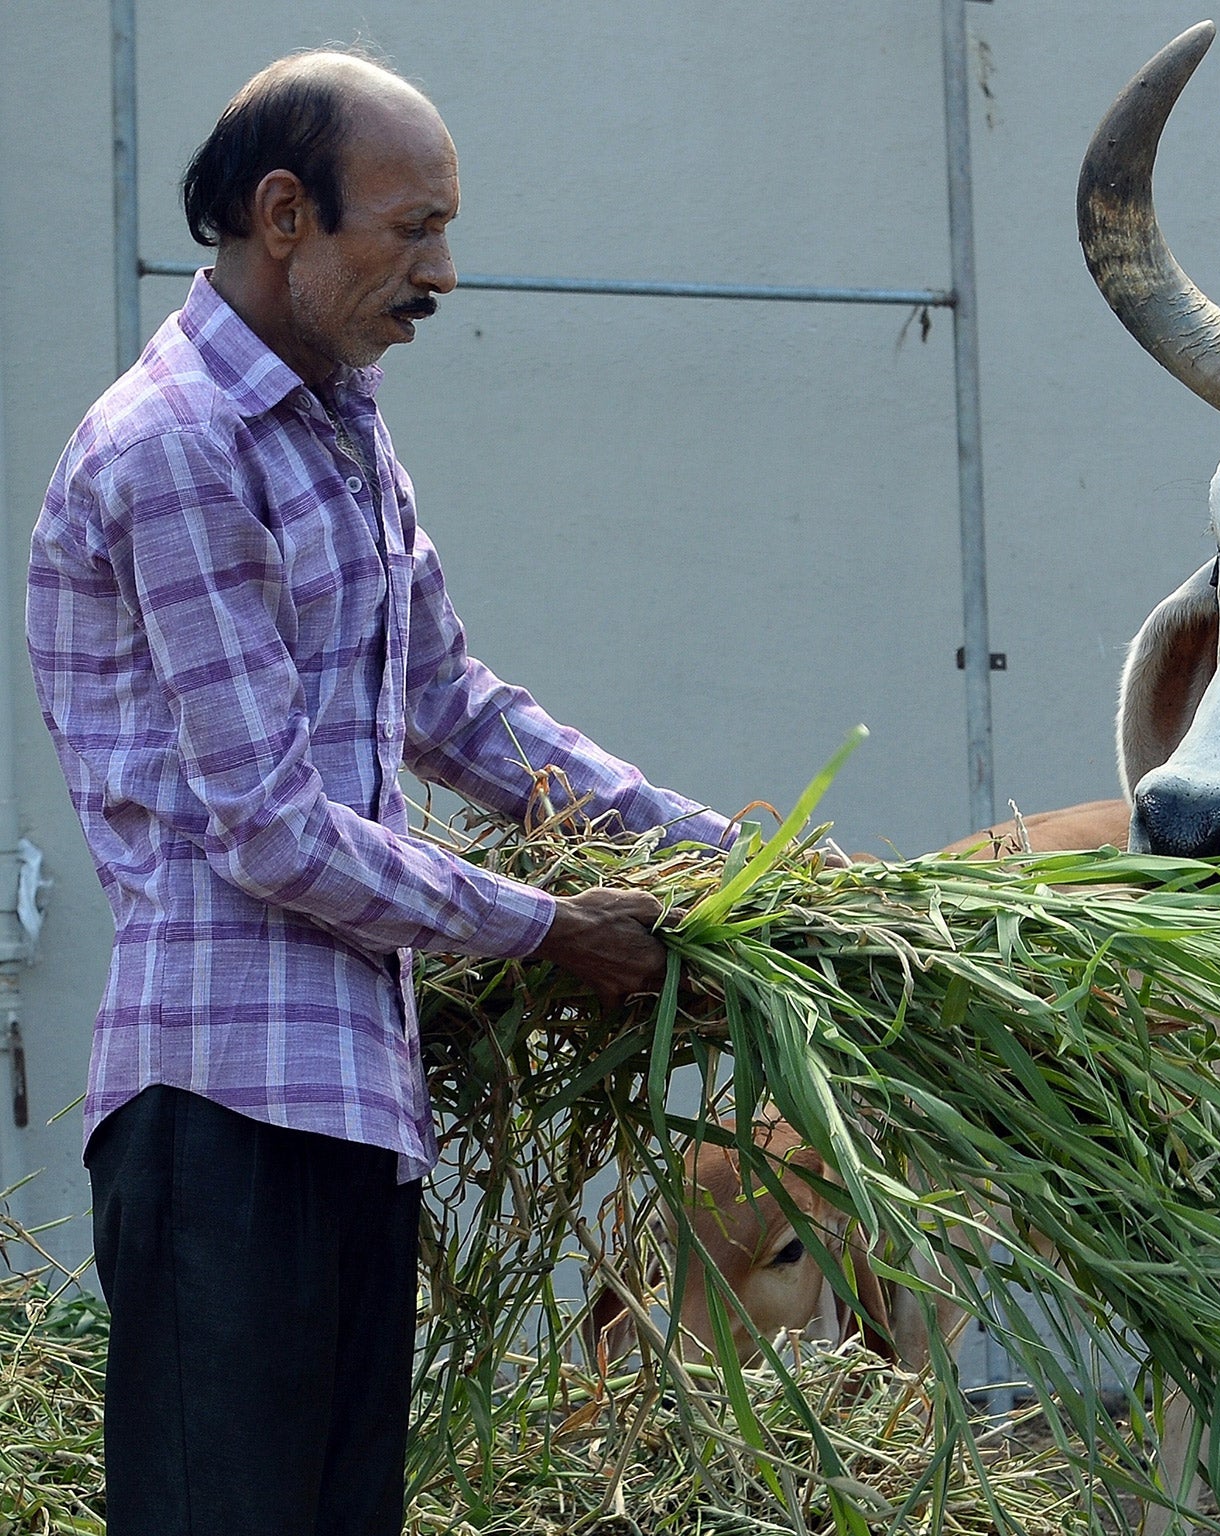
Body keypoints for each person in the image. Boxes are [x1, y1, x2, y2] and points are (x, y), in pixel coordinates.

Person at [27, 50, 731, 1534]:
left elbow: (452, 706)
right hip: (220, 1110)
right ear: (285, 214)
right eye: (409, 229)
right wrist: (551, 928)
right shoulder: (180, 450)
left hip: (351, 1108)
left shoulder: (342, 430)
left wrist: (722, 855)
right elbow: (273, 829)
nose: (442, 272)